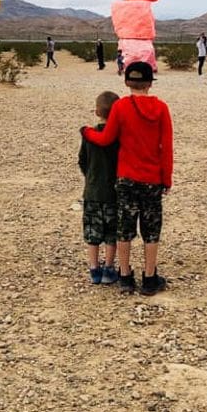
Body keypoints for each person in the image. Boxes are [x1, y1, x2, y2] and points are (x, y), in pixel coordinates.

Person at [81, 61, 173, 296]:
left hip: (126, 179)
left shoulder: (121, 107)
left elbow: (105, 139)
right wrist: (166, 179)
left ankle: (124, 275)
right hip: (152, 178)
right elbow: (167, 147)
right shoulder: (161, 108)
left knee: (124, 228)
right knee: (151, 230)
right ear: (150, 83)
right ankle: (150, 277)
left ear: (127, 82)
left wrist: (86, 131)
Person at [78, 91, 120, 285]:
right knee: (112, 232)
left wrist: (91, 176)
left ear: (97, 112)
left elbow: (82, 160)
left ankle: (94, 268)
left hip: (93, 191)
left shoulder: (89, 135)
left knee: (92, 232)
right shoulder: (119, 137)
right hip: (114, 192)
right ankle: (109, 268)